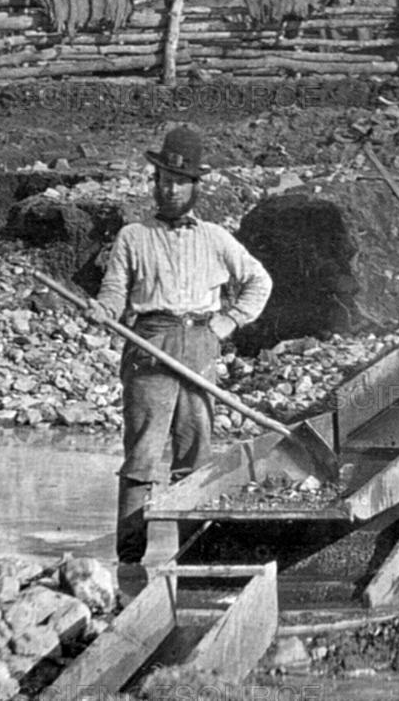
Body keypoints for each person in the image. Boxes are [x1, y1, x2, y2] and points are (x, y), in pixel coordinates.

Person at [88, 126, 272, 567]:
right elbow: (115, 290)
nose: (170, 189)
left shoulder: (215, 238)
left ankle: (192, 557)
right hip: (149, 343)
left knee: (195, 452)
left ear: (195, 186)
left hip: (199, 344)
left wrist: (225, 324)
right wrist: (105, 309)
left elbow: (258, 281)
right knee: (142, 456)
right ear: (154, 183)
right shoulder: (133, 236)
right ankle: (130, 561)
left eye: (179, 181)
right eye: (163, 179)